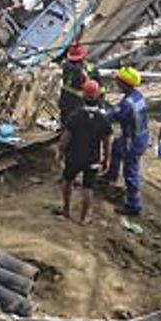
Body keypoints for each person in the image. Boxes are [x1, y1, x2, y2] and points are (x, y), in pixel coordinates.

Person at [57, 79, 111, 224]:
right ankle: (83, 217)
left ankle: (66, 209)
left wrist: (60, 152)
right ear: (99, 96)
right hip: (92, 159)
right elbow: (107, 142)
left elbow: (66, 137)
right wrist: (106, 159)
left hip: (73, 156)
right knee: (88, 187)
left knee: (67, 181)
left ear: (83, 96)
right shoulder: (103, 119)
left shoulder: (75, 116)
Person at [107, 66, 150, 215]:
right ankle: (111, 176)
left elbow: (112, 117)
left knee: (130, 171)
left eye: (119, 81)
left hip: (133, 140)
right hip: (142, 134)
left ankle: (134, 205)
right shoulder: (138, 97)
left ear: (125, 84)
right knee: (116, 147)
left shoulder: (126, 104)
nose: (117, 84)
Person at [57, 42, 92, 124]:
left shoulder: (66, 66)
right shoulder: (81, 71)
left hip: (64, 99)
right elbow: (87, 85)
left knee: (65, 121)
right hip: (77, 102)